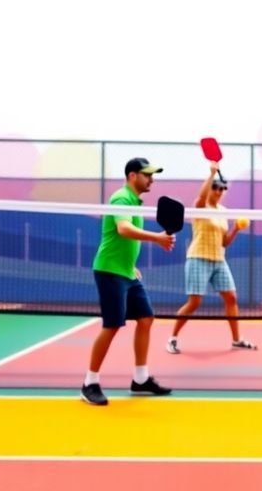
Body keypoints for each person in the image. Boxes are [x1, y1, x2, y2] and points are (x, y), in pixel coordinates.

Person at [82, 157, 177, 406]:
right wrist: (157, 239)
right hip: (109, 272)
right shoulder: (121, 198)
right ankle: (89, 383)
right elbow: (123, 229)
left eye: (152, 175)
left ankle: (140, 379)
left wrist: (131, 265)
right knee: (112, 325)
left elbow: (123, 239)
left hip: (127, 272)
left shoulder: (135, 202)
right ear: (132, 176)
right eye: (147, 175)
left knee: (146, 318)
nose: (152, 179)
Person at [166, 161, 256, 354]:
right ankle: (172, 338)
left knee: (231, 298)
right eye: (215, 187)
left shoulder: (223, 212)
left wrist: (236, 230)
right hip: (198, 258)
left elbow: (224, 242)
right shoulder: (200, 207)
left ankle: (236, 340)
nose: (219, 191)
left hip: (219, 260)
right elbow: (200, 196)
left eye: (222, 188)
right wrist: (211, 174)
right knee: (195, 302)